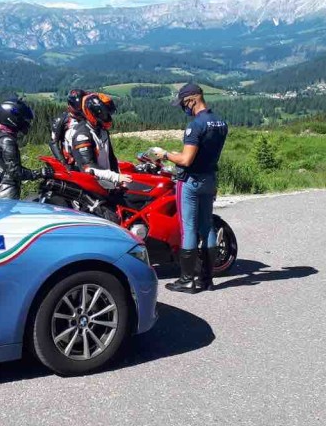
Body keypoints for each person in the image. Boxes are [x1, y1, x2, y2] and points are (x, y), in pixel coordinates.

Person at [147, 83, 228, 293]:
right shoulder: (220, 122)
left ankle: (187, 280)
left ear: (192, 99)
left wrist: (164, 154)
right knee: (207, 227)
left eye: (184, 103)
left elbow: (186, 159)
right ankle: (207, 280)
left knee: (189, 229)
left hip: (190, 182)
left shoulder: (196, 125)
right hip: (209, 179)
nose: (185, 108)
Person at [65, 93, 132, 188]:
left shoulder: (102, 130)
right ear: (93, 114)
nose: (108, 117)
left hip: (107, 181)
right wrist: (115, 177)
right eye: (105, 115)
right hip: (91, 185)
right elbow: (88, 167)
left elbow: (111, 158)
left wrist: (118, 177)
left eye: (108, 114)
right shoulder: (82, 135)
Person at [0, 96, 50, 200]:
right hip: (6, 192)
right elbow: (15, 171)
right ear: (12, 119)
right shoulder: (7, 141)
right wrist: (39, 173)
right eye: (22, 119)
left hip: (1, 188)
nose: (26, 122)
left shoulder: (0, 137)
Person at [49, 88, 87, 164]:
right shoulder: (62, 120)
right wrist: (62, 162)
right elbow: (53, 143)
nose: (79, 107)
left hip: (88, 156)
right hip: (70, 161)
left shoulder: (88, 117)